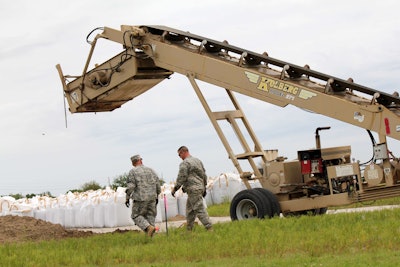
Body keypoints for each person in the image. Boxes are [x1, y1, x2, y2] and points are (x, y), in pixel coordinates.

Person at [171, 146, 213, 231]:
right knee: (190, 211)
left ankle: (209, 227)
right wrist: (204, 187)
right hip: (199, 188)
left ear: (183, 152)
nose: (180, 157)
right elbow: (204, 175)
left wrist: (175, 189)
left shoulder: (185, 163)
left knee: (199, 209)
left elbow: (181, 177)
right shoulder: (197, 161)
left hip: (193, 189)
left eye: (179, 155)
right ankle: (189, 230)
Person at [125, 154, 161, 237]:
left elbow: (131, 187)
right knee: (150, 216)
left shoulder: (133, 172)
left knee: (135, 216)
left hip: (140, 199)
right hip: (152, 197)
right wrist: (157, 195)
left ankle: (148, 228)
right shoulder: (151, 170)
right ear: (141, 160)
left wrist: (127, 198)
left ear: (133, 163)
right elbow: (158, 185)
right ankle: (151, 239)